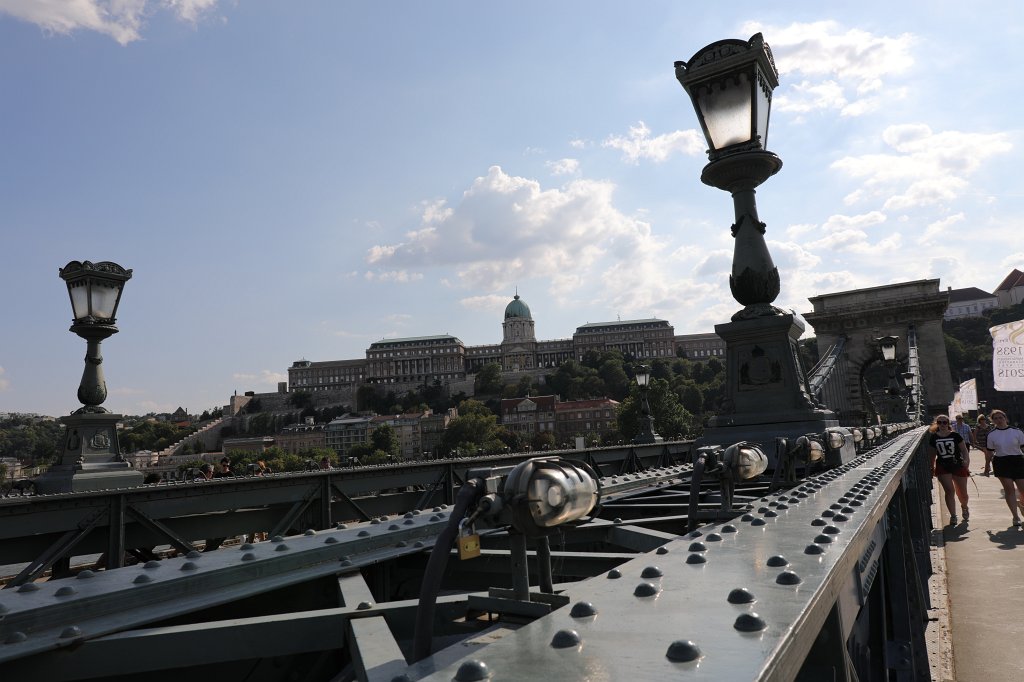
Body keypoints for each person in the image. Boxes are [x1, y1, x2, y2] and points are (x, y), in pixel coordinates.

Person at [927, 414, 970, 526]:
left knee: (963, 494)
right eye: (939, 422)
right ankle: (953, 515)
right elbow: (932, 454)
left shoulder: (955, 435)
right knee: (949, 491)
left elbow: (964, 450)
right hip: (943, 466)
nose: (942, 424)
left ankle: (964, 506)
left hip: (957, 464)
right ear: (937, 424)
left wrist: (966, 461)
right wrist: (931, 467)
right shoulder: (934, 437)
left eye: (944, 422)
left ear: (948, 423)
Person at [984, 409, 1024, 529]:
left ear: (1005, 418)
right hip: (1001, 462)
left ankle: (1021, 505)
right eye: (995, 418)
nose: (999, 420)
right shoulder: (991, 435)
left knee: (1022, 489)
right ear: (992, 421)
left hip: (1017, 461)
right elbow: (989, 452)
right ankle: (1015, 517)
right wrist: (987, 467)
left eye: (1000, 417)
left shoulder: (1017, 432)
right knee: (1009, 490)